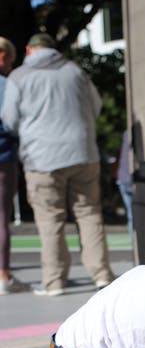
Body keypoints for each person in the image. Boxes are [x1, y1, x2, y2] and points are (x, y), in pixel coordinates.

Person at [0, 33, 115, 296]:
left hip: (41, 158)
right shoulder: (75, 71)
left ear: (29, 50)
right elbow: (95, 107)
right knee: (89, 214)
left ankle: (54, 282)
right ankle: (101, 275)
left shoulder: (19, 77)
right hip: (83, 152)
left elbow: (9, 120)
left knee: (50, 219)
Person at [0, 37, 27, 295]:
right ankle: (3, 275)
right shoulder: (6, 85)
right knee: (1, 217)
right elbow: (11, 122)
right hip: (2, 156)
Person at [116, 129, 134, 247]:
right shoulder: (131, 133)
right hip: (130, 178)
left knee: (131, 216)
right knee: (132, 216)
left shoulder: (126, 133)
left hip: (123, 178)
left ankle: (134, 246)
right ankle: (135, 246)